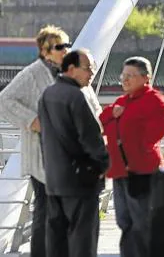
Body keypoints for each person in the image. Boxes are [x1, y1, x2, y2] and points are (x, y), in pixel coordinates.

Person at [0, 25, 71, 257]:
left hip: (60, 153)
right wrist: (32, 121)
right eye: (60, 46)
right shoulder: (33, 73)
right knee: (46, 208)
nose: (65, 50)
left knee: (57, 208)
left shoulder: (63, 73)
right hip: (41, 154)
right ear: (45, 50)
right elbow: (5, 99)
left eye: (67, 45)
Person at [100, 56, 164, 256]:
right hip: (120, 171)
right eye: (123, 75)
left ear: (145, 78)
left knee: (140, 222)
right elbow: (102, 121)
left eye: (130, 76)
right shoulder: (122, 100)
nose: (125, 80)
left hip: (142, 171)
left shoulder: (152, 98)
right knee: (124, 221)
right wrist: (111, 114)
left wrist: (144, 143)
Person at [37, 49, 109, 257]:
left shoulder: (47, 94)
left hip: (54, 179)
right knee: (82, 241)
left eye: (94, 69)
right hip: (81, 181)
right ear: (70, 69)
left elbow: (45, 137)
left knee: (57, 240)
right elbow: (91, 138)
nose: (91, 73)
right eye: (87, 68)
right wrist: (102, 165)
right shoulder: (77, 97)